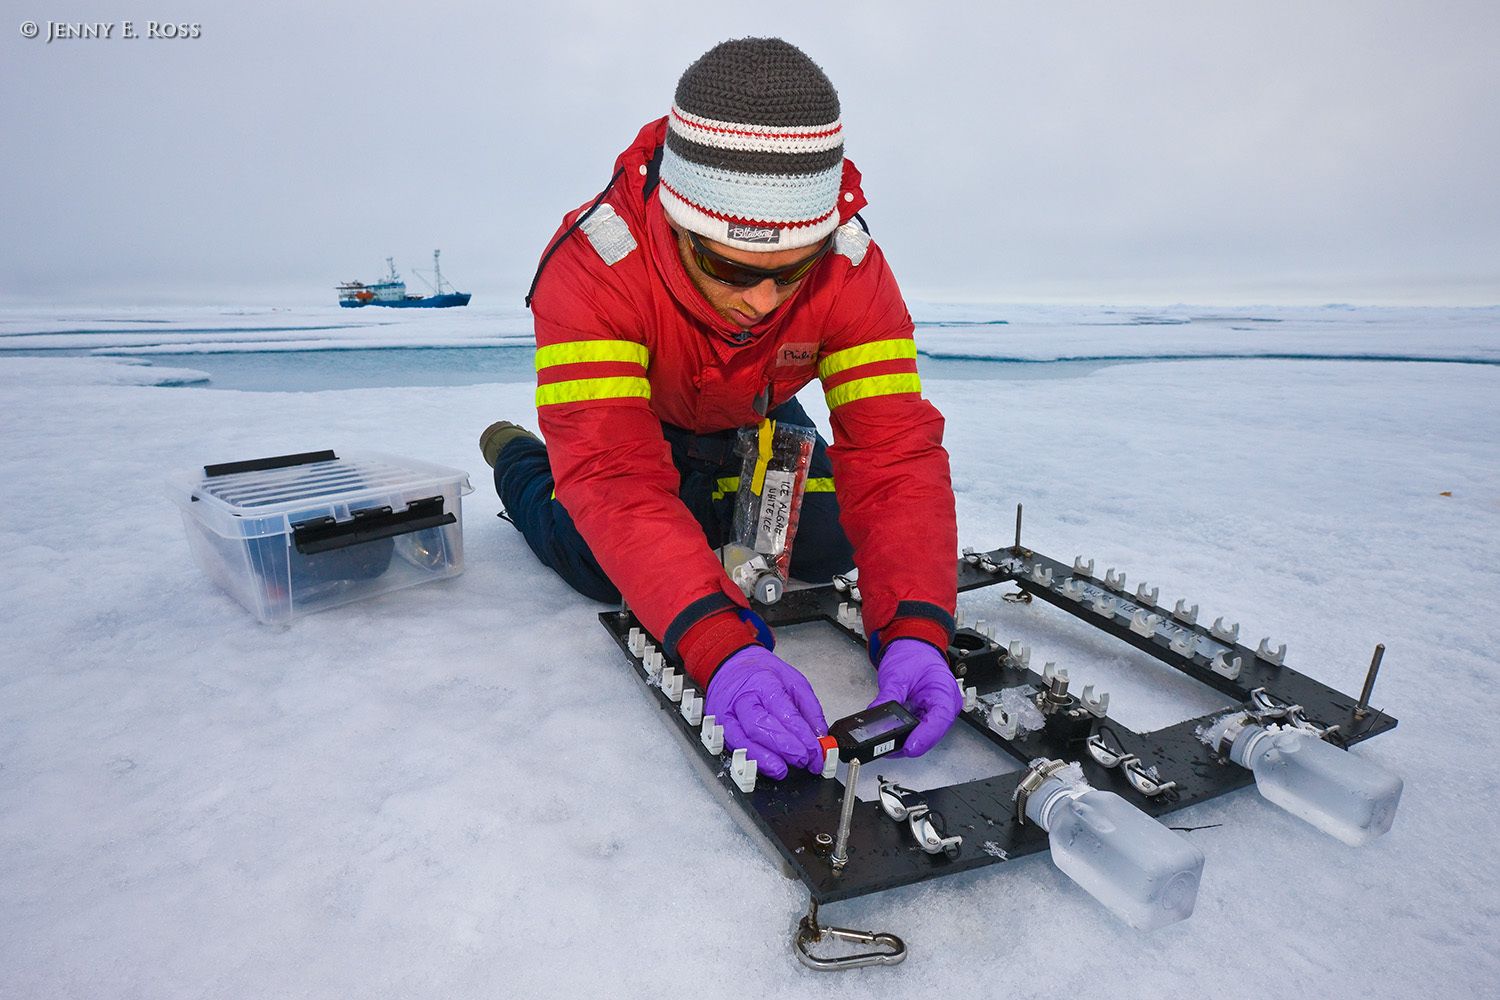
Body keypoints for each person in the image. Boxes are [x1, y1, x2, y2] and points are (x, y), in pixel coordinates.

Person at [482, 37, 960, 779]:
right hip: (636, 424)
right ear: (676, 221)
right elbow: (615, 474)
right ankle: (519, 456)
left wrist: (919, 627)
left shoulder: (851, 265)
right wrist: (716, 642)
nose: (763, 301)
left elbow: (894, 453)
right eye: (727, 267)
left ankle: (707, 504)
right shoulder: (593, 265)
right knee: (598, 561)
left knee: (826, 543)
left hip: (753, 413)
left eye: (791, 271)